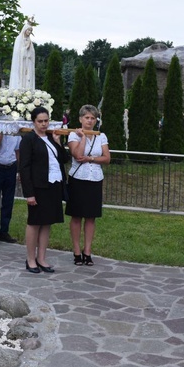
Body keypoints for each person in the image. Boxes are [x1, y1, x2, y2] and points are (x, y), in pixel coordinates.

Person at [19, 106, 69, 273]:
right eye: (40, 121)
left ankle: (42, 258)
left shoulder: (50, 137)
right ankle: (30, 259)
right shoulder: (29, 139)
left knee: (47, 222)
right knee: (34, 222)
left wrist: (57, 143)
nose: (43, 124)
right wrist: (29, 193)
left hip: (53, 185)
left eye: (46, 121)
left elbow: (63, 159)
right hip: (38, 187)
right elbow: (24, 167)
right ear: (33, 122)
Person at [66, 105, 110, 266]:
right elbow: (77, 155)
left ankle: (88, 251)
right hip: (79, 178)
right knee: (76, 215)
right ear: (80, 119)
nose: (90, 120)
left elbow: (106, 158)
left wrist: (91, 159)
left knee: (91, 217)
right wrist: (83, 138)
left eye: (92, 118)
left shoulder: (101, 136)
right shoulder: (73, 135)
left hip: (95, 178)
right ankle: (77, 251)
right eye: (87, 117)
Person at [0, 132, 21, 246]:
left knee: (8, 201)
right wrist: (1, 134)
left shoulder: (16, 134)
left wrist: (19, 170)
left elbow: (17, 151)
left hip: (10, 168)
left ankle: (4, 231)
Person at [9, 18, 35, 90]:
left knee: (27, 78)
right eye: (28, 30)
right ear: (24, 30)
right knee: (21, 79)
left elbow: (32, 52)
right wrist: (25, 48)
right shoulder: (19, 39)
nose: (29, 32)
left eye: (31, 31)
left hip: (28, 63)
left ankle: (27, 89)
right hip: (20, 63)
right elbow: (17, 52)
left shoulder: (30, 41)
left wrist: (30, 50)